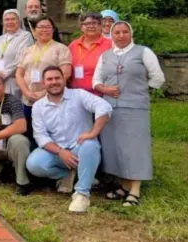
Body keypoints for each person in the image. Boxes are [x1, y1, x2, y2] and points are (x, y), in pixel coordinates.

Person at [93, 21, 165, 207]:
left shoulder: (143, 52)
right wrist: (105, 89)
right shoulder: (106, 55)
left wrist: (140, 90)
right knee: (115, 147)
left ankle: (135, 190)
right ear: (112, 34)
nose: (121, 35)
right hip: (110, 108)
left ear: (130, 33)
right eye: (116, 32)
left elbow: (158, 77)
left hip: (134, 108)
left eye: (125, 32)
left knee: (134, 146)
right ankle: (124, 185)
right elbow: (96, 81)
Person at [26, 66, 112, 213]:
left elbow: (104, 106)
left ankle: (82, 193)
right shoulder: (38, 106)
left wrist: (93, 132)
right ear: (43, 83)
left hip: (80, 149)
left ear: (64, 79)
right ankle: (67, 175)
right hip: (57, 152)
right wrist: (60, 152)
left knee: (90, 145)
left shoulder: (79, 95)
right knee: (33, 164)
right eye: (49, 79)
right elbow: (40, 136)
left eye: (57, 78)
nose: (54, 82)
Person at [16, 15, 72, 143]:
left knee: (49, 134)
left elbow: (66, 73)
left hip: (50, 100)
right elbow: (19, 74)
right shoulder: (27, 51)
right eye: (40, 27)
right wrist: (26, 92)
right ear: (34, 31)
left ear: (53, 30)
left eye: (48, 27)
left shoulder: (61, 49)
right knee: (30, 133)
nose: (44, 30)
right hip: (28, 100)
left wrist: (43, 93)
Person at [0, 9, 34, 99]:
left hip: (14, 81)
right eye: (7, 19)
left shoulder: (25, 36)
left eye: (13, 19)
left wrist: (4, 74)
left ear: (18, 21)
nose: (10, 22)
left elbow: (21, 58)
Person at [68, 12, 112, 94]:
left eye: (94, 23)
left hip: (100, 95)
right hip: (75, 94)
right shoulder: (73, 45)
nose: (91, 26)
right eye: (87, 23)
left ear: (101, 26)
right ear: (81, 27)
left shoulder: (110, 45)